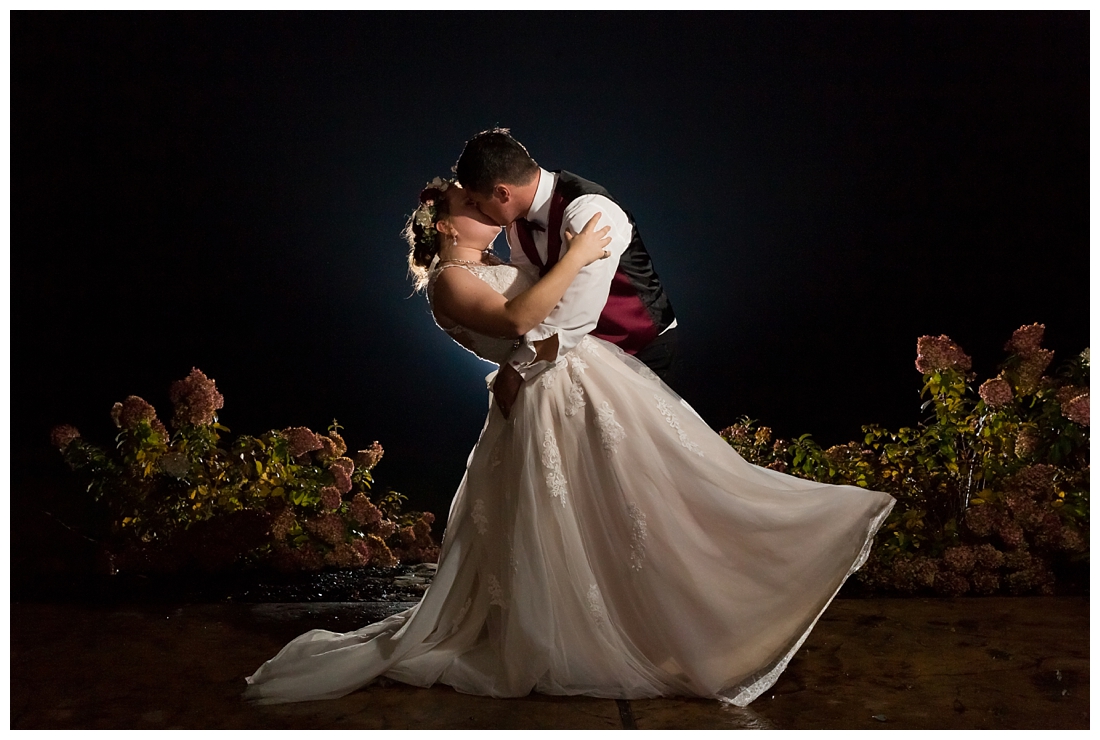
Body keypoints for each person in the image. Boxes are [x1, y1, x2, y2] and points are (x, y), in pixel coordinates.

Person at [243, 176, 895, 707]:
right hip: (552, 402)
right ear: (444, 224)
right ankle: (615, 634)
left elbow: (521, 334)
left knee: (653, 500)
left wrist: (514, 356)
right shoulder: (447, 279)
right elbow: (516, 318)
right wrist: (578, 258)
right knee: (595, 518)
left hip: (579, 385)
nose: (485, 210)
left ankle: (705, 608)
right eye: (472, 205)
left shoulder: (492, 263)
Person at [454, 128, 679, 418]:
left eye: (477, 202)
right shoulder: (516, 224)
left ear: (502, 193)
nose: (480, 212)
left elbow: (577, 309)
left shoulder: (589, 209)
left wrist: (517, 369)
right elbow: (535, 286)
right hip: (586, 357)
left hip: (644, 347)